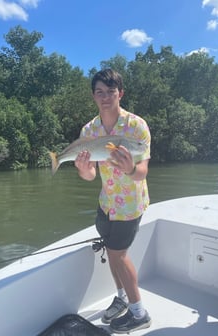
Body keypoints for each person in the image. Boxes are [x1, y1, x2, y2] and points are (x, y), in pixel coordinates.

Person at [74, 69, 151, 333]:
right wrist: (84, 170)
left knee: (118, 255)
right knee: (112, 251)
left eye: (111, 91)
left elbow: (142, 173)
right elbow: (90, 174)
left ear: (121, 93)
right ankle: (121, 298)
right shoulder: (89, 130)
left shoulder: (136, 127)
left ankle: (139, 313)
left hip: (130, 205)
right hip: (106, 203)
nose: (105, 97)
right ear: (93, 96)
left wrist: (130, 168)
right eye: (99, 92)